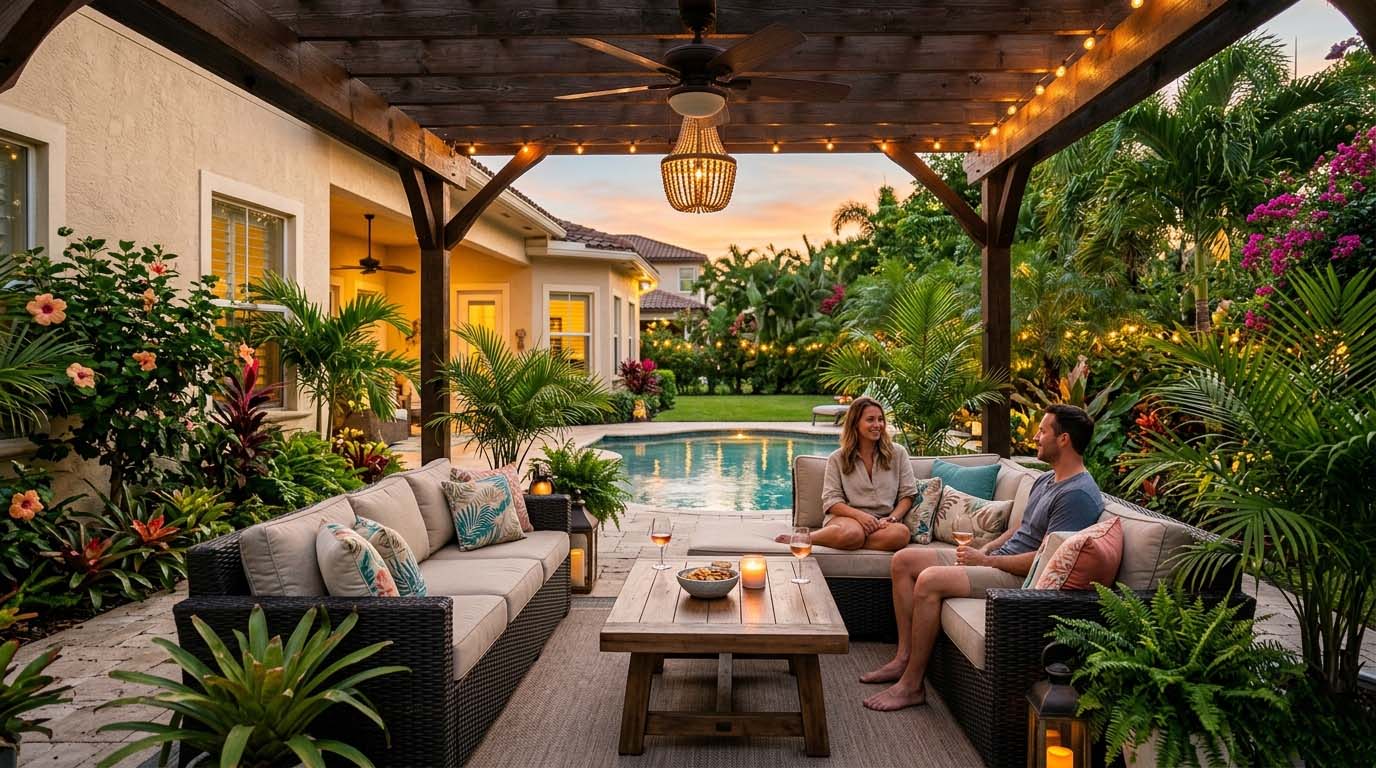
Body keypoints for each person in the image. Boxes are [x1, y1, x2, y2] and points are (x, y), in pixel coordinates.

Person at [860, 403, 1104, 711]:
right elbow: (1020, 529)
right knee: (903, 562)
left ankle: (911, 686)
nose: (1037, 437)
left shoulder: (1077, 495)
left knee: (930, 580)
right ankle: (903, 658)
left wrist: (988, 562)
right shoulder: (1047, 480)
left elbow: (1045, 560)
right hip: (998, 559)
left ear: (1064, 439)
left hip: (1018, 579)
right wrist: (986, 548)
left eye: (1043, 431)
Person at [775, 396, 916, 552]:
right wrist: (861, 517)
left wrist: (893, 517)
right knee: (852, 532)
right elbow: (832, 501)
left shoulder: (898, 453)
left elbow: (907, 494)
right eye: (870, 420)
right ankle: (805, 539)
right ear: (855, 424)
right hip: (846, 519)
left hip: (882, 523)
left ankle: (850, 541)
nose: (877, 425)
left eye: (880, 419)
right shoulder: (837, 458)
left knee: (901, 534)